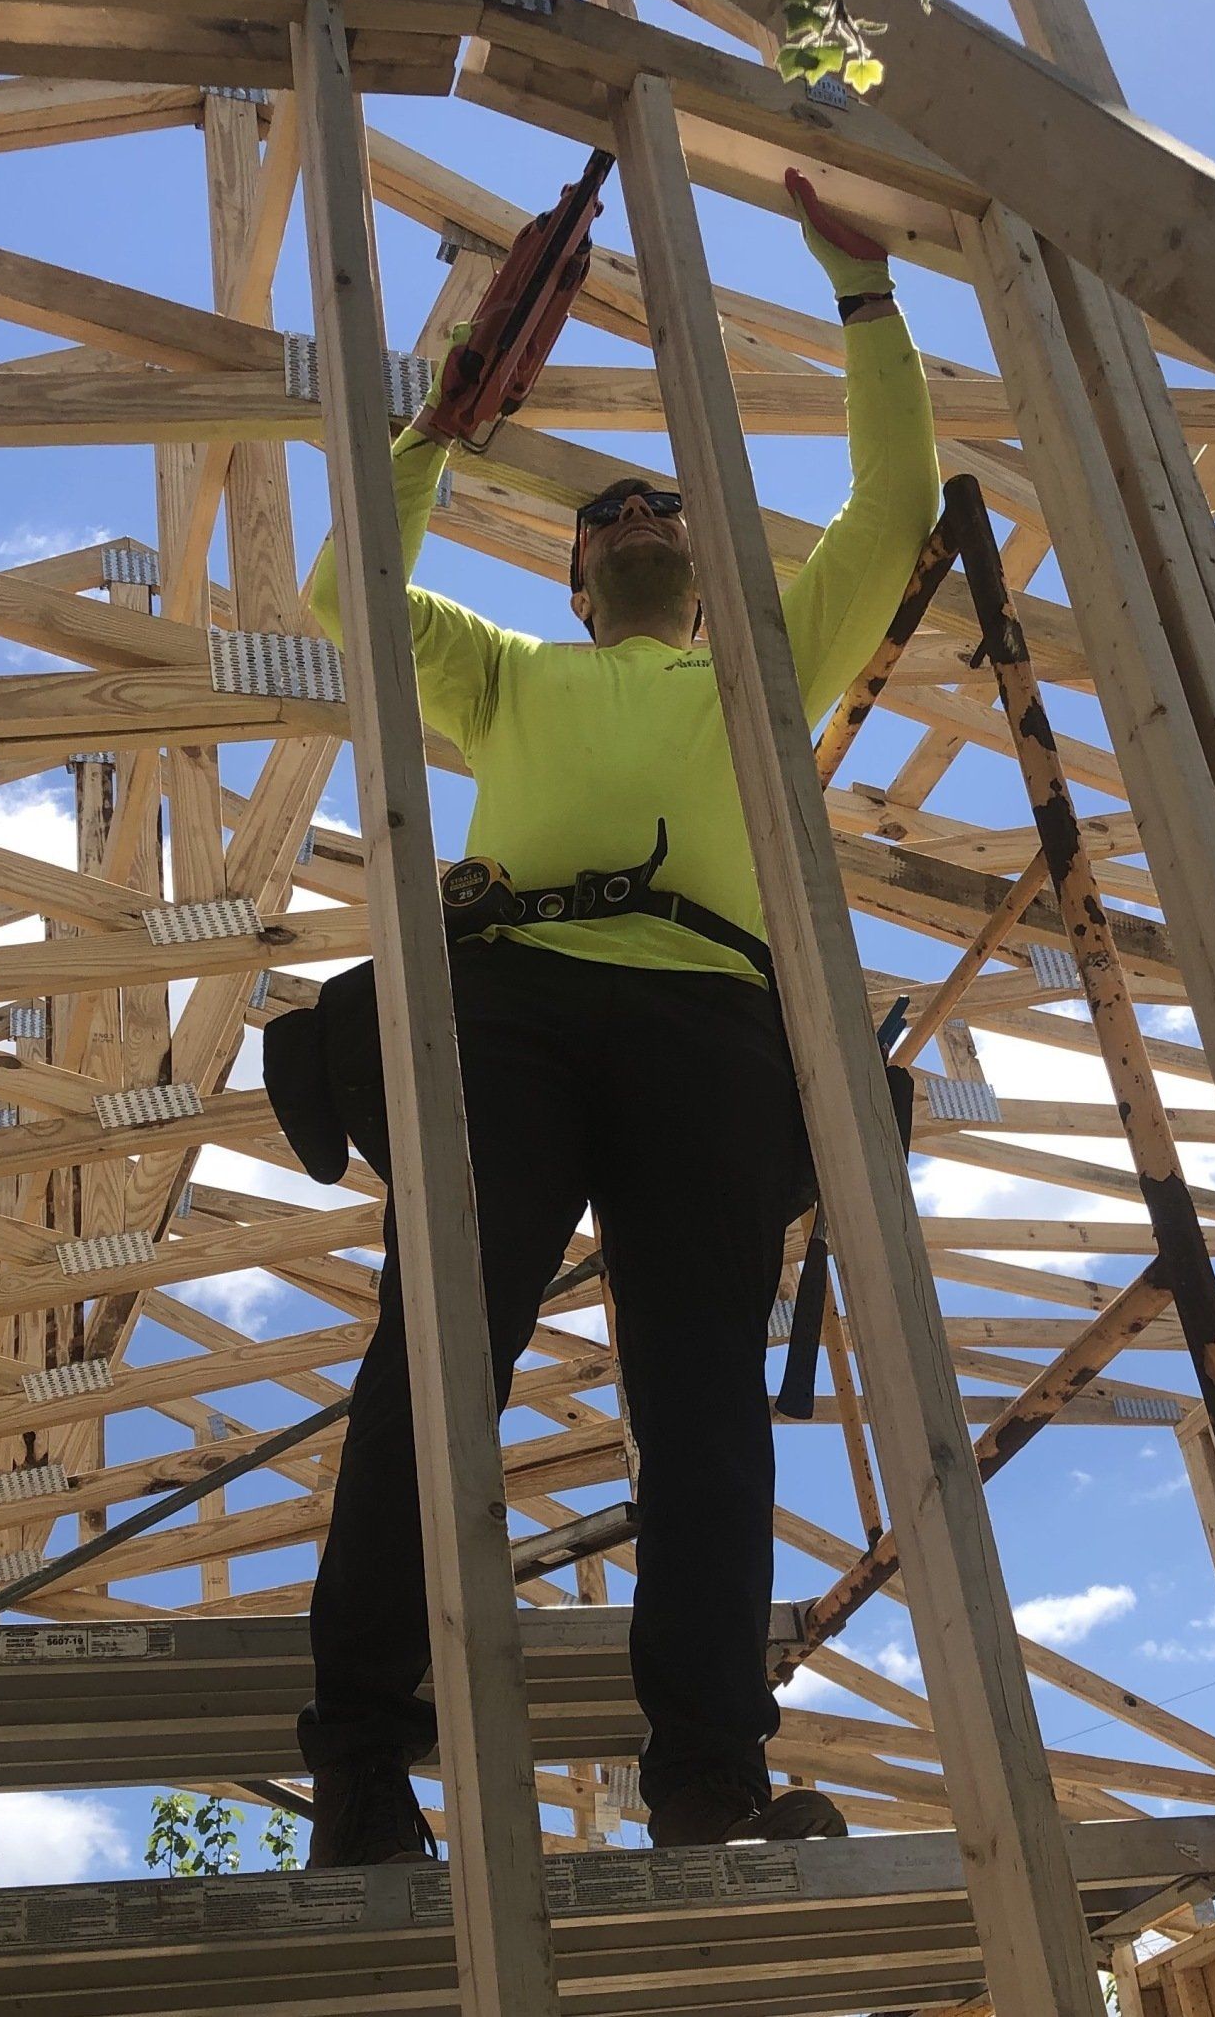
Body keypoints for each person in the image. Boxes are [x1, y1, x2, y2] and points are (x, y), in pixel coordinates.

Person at [294, 168, 938, 1865]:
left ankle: (708, 1773)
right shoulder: (510, 672)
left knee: (708, 1406)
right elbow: (337, 587)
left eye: (663, 505)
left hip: (713, 1030)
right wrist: (437, 423)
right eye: (608, 513)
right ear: (580, 581)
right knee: (438, 1362)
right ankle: (363, 1763)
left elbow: (894, 507)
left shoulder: (766, 666)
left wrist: (863, 297)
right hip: (506, 1002)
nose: (641, 510)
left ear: (703, 574)